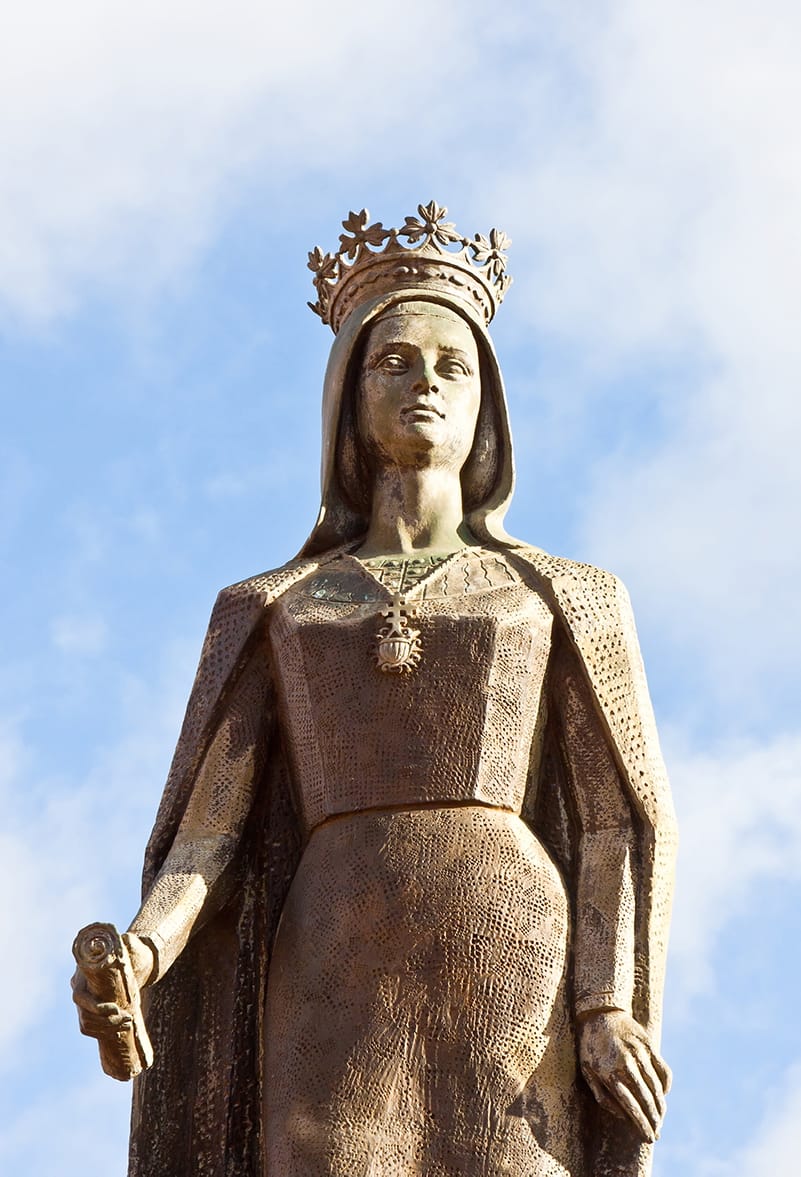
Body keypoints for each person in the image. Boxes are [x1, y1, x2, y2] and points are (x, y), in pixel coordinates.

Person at [73, 203, 677, 1177]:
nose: (425, 382)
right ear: (348, 397)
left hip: (508, 943)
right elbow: (208, 835)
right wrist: (140, 956)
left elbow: (615, 819)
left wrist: (606, 1003)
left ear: (487, 405)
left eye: (452, 366)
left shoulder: (560, 595)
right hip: (333, 950)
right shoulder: (274, 607)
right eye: (395, 361)